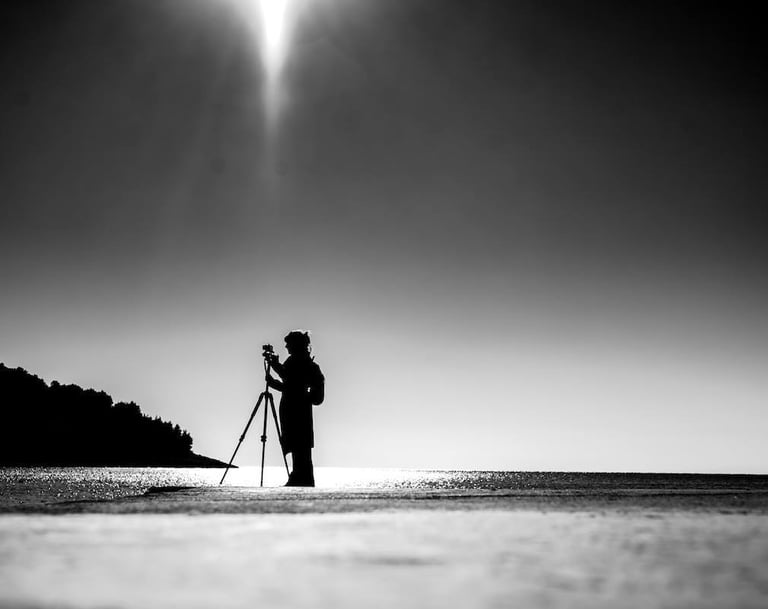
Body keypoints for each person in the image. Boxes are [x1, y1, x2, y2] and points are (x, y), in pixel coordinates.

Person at [265, 330, 325, 487]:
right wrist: (275, 371)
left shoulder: (302, 363)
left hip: (298, 413)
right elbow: (290, 384)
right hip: (295, 411)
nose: (286, 347)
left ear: (296, 345)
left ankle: (300, 479)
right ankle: (299, 478)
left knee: (300, 448)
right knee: (298, 448)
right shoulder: (300, 362)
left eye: (288, 344)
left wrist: (274, 368)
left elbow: (292, 383)